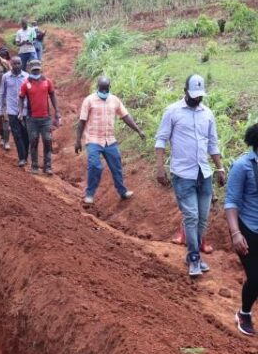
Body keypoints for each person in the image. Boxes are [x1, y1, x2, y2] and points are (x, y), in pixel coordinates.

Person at [155, 74, 225, 277]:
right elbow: (161, 140)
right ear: (185, 91)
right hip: (183, 174)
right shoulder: (172, 111)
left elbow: (213, 144)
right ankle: (194, 257)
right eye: (194, 95)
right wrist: (160, 168)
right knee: (191, 216)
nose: (197, 99)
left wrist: (219, 168)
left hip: (204, 173)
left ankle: (192, 255)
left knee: (202, 218)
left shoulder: (208, 114)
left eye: (200, 95)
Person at [75, 76, 146, 205]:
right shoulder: (89, 101)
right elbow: (82, 122)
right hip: (93, 139)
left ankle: (122, 192)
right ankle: (89, 194)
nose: (103, 92)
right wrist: (77, 140)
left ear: (109, 88)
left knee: (117, 165)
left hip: (110, 140)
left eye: (106, 89)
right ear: (98, 87)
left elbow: (125, 116)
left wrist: (138, 130)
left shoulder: (114, 100)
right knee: (95, 166)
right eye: (101, 89)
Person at [225, 124, 258, 336]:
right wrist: (236, 233)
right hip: (248, 229)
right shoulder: (242, 166)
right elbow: (231, 202)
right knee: (256, 276)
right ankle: (244, 313)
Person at [18, 60, 61, 175]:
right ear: (30, 69)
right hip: (32, 119)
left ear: (40, 68)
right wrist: (21, 111)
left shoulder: (47, 82)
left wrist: (57, 111)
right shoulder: (25, 84)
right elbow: (21, 98)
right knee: (33, 141)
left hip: (46, 118)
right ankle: (34, 166)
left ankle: (47, 167)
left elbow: (52, 95)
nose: (36, 71)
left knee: (47, 140)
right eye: (34, 69)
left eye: (37, 69)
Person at [0, 56, 29, 167]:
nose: (16, 66)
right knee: (16, 134)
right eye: (14, 63)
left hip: (25, 110)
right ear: (11, 64)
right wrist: (1, 110)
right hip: (12, 110)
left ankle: (25, 156)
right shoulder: (6, 77)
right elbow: (2, 93)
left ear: (21, 64)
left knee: (25, 134)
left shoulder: (27, 77)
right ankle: (21, 158)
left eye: (18, 63)